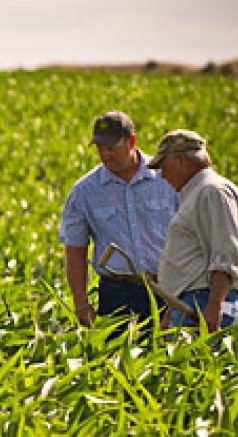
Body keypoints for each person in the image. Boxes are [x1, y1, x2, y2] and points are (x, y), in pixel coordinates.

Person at [59, 111, 179, 326]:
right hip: (117, 295)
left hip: (169, 290)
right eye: (100, 148)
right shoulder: (84, 191)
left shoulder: (168, 179)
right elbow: (75, 250)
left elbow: (191, 239)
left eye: (111, 148)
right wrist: (81, 304)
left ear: (131, 141)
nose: (105, 155)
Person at [147, 130, 238, 331]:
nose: (162, 174)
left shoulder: (212, 191)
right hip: (190, 302)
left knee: (200, 361)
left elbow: (225, 253)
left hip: (203, 302)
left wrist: (215, 305)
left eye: (163, 166)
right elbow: (192, 261)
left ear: (180, 160)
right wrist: (171, 310)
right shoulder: (196, 192)